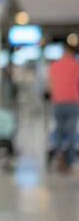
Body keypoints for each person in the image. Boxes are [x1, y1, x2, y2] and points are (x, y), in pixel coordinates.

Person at [48, 42, 79, 173]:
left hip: (58, 101)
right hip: (72, 101)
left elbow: (50, 85)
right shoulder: (75, 64)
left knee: (59, 131)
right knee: (71, 132)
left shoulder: (54, 65)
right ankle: (70, 161)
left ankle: (59, 156)